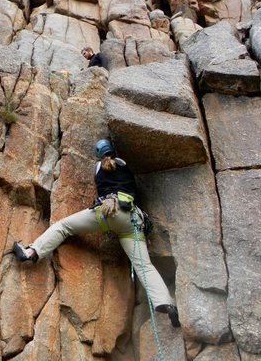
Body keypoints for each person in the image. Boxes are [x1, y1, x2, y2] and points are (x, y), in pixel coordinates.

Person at [13, 139, 180, 328]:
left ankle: (31, 252)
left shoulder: (98, 167)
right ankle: (166, 302)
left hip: (107, 212)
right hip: (132, 218)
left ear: (99, 154)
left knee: (63, 227)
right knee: (143, 265)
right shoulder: (124, 164)